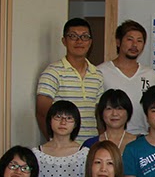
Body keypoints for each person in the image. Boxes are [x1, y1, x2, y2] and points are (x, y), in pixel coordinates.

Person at [36, 17, 104, 145]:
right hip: (63, 146)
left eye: (84, 37)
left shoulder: (97, 74)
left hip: (91, 144)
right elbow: (42, 113)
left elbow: (99, 114)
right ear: (64, 41)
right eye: (73, 36)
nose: (79, 41)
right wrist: (55, 143)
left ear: (90, 42)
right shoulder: (52, 72)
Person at [97, 20, 155, 135]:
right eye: (130, 39)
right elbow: (97, 109)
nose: (134, 45)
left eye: (139, 41)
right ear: (118, 42)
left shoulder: (150, 75)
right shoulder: (101, 72)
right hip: (112, 137)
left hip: (142, 136)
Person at [81, 89, 135, 156]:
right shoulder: (90, 145)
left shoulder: (140, 143)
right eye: (109, 108)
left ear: (128, 112)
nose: (114, 114)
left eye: (119, 108)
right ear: (101, 113)